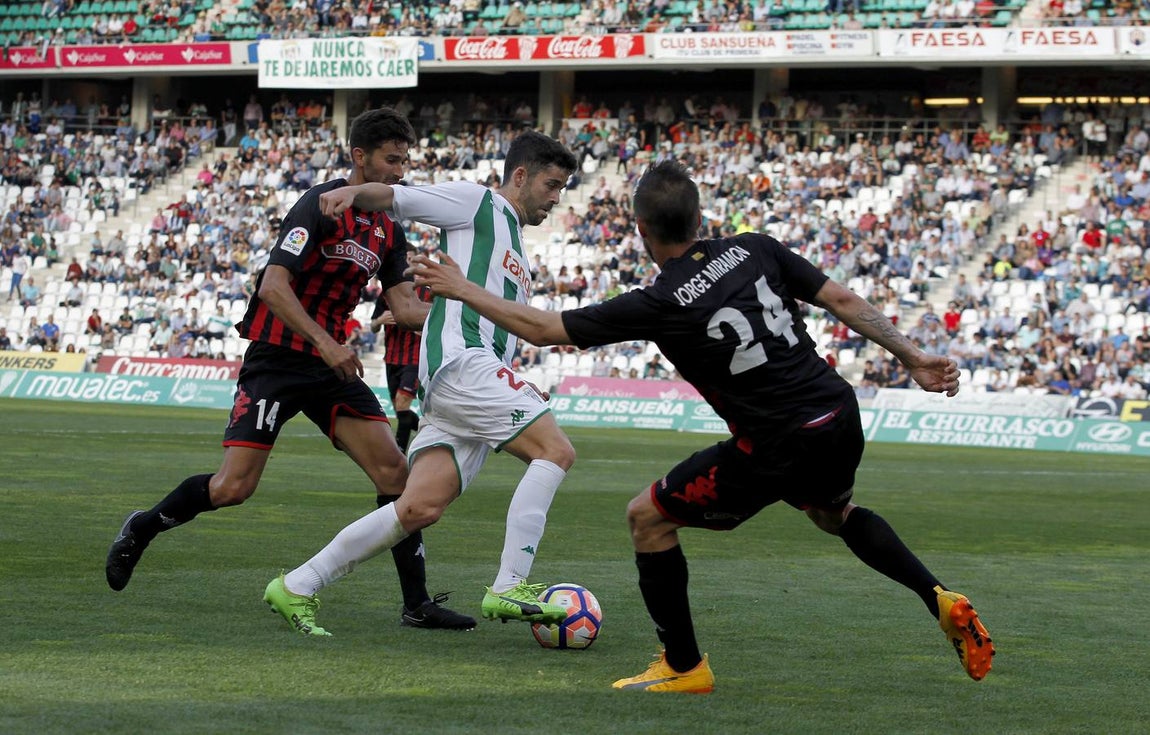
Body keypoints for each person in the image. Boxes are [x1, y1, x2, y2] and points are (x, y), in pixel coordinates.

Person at [409, 160, 995, 693]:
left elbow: (541, 329)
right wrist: (913, 356)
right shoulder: (757, 248)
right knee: (832, 514)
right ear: (699, 218)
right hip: (838, 414)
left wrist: (462, 288)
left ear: (641, 230)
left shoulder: (660, 300)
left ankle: (684, 666)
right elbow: (840, 299)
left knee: (647, 518)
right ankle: (937, 595)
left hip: (776, 440)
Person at [104, 108, 474, 632]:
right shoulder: (318, 205)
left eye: (404, 161)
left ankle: (416, 603)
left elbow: (406, 309)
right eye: (391, 160)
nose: (399, 171)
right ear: (359, 157)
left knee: (396, 474)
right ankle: (142, 526)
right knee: (233, 488)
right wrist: (325, 343)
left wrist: (462, 301)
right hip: (278, 359)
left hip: (329, 367)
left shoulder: (389, 229)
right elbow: (272, 288)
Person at [264, 130, 580, 636]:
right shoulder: (477, 203)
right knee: (556, 451)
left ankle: (298, 583)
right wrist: (352, 194)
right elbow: (398, 197)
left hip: (465, 382)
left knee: (417, 507)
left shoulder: (513, 243)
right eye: (552, 184)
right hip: (464, 366)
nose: (556, 197)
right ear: (520, 176)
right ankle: (509, 584)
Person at [369, 243, 428, 454]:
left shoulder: (428, 292)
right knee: (400, 412)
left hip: (415, 359)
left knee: (403, 404)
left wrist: (417, 326)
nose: (408, 265)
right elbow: (373, 326)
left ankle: (399, 453)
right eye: (405, 261)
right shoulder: (387, 293)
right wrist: (380, 320)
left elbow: (440, 324)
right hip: (391, 358)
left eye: (412, 260)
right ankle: (429, 434)